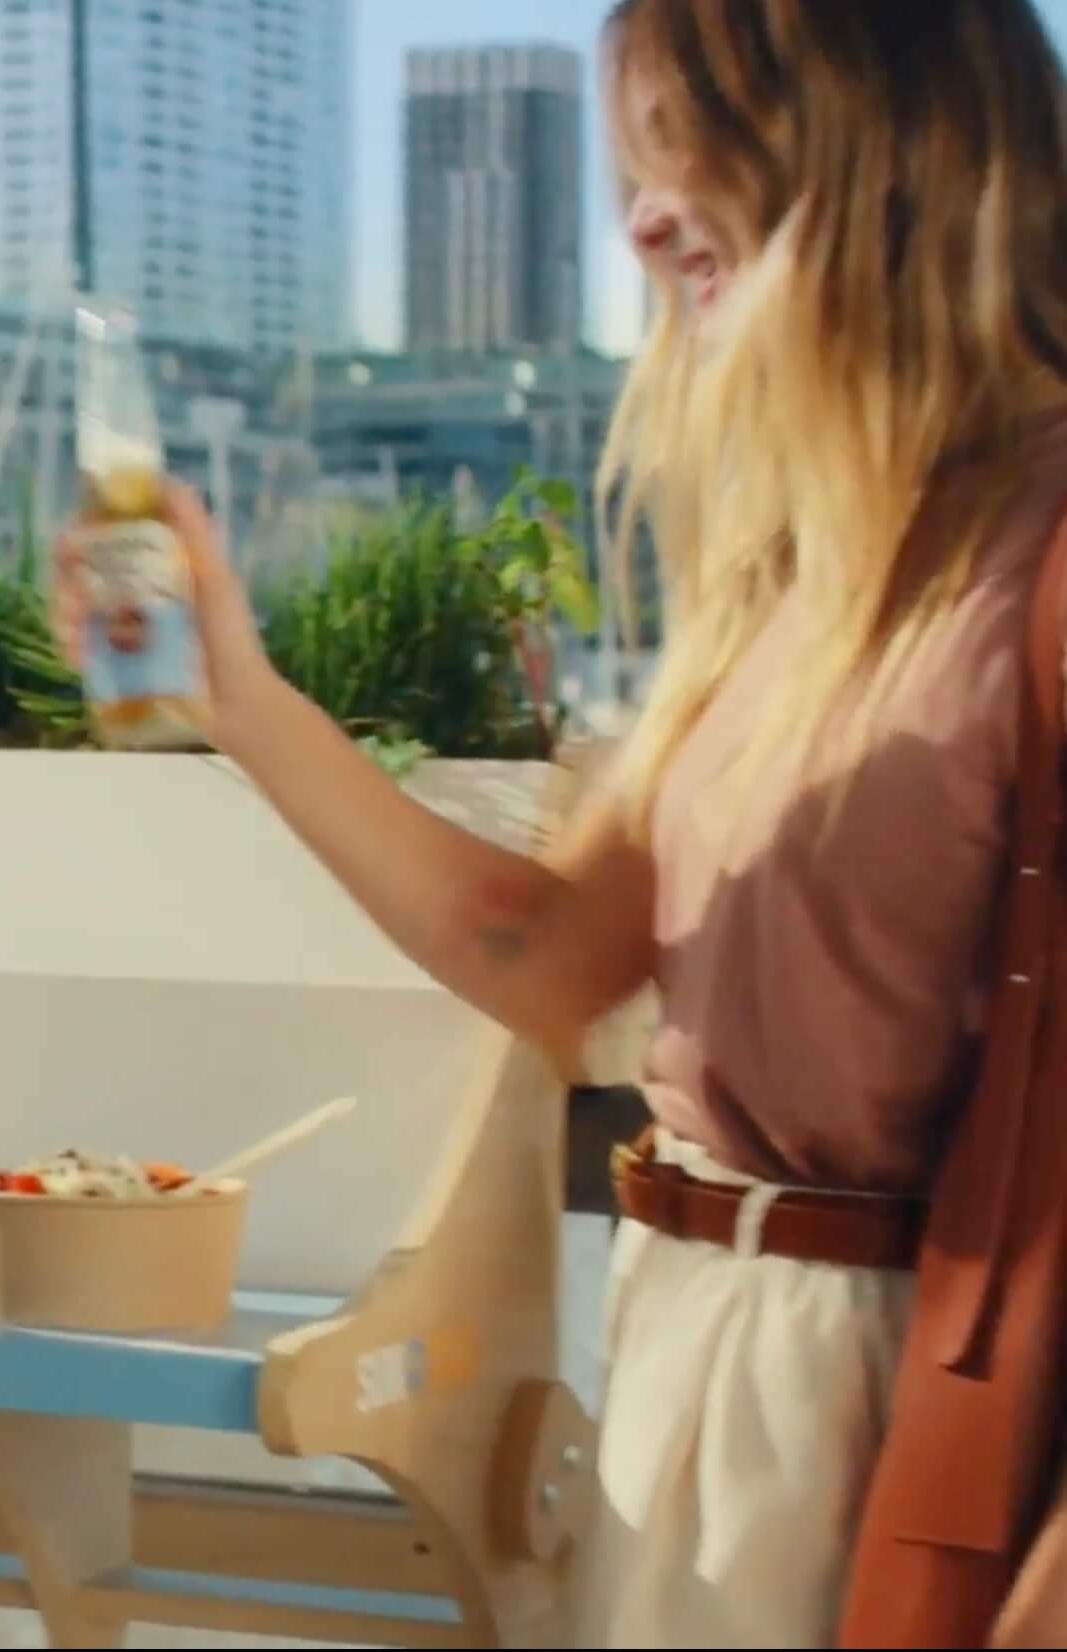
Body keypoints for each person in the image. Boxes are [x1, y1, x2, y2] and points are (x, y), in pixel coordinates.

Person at [55, 2, 1067, 1643]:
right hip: (692, 1354)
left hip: (923, 1396)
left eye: (696, 145)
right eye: (631, 167)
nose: (645, 215)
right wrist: (234, 689)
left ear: (889, 136)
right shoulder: (799, 562)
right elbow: (538, 953)